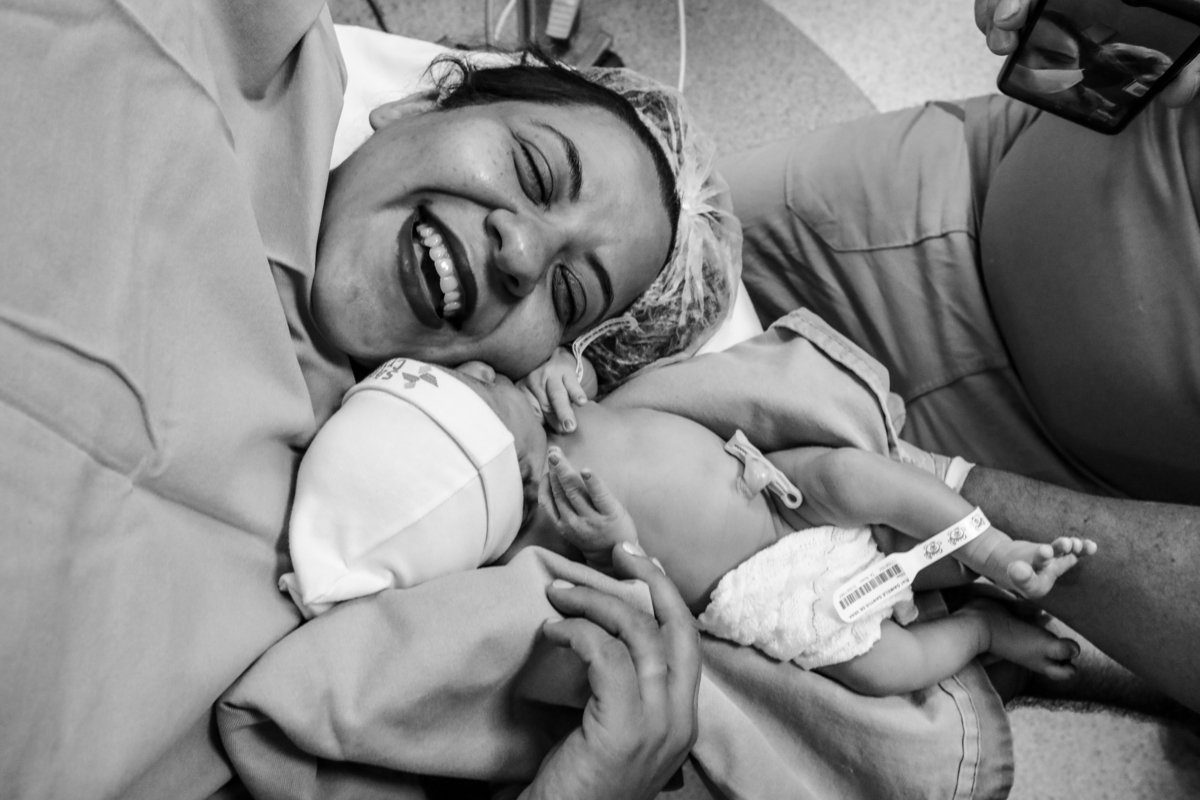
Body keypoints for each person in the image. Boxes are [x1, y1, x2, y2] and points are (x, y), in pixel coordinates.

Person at [1, 4, 743, 798]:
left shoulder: (362, 564)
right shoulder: (218, 50)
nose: (524, 253)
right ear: (420, 103)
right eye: (533, 171)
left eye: (566, 294)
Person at [656, 0, 1200, 713]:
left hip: (1060, 488)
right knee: (656, 252)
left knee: (824, 657)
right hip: (977, 178)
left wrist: (970, 526)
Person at [282, 355, 1096, 698]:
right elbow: (631, 602)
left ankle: (993, 550)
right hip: (765, 591)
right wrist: (614, 545)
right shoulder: (529, 546)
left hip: (778, 493)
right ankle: (982, 631)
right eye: (482, 386)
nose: (490, 370)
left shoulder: (548, 400)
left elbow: (599, 367)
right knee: (885, 666)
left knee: (858, 480)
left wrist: (565, 367)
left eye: (480, 374)